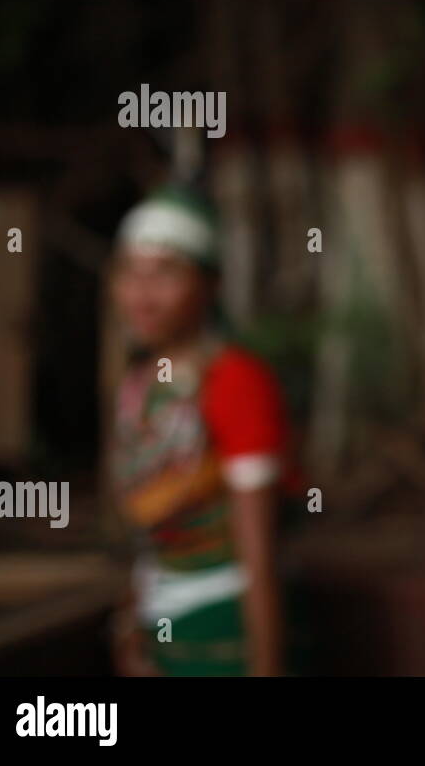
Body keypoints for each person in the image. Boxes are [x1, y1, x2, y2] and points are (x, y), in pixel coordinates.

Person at [104, 185, 301, 675]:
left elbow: (259, 551)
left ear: (210, 284)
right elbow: (147, 540)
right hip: (163, 634)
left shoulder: (236, 380)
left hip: (228, 636)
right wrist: (130, 629)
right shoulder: (137, 387)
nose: (143, 293)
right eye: (131, 272)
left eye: (167, 273)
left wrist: (266, 668)